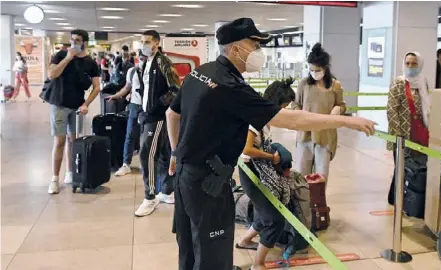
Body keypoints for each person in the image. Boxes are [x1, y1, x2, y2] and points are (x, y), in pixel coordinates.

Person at [165, 17, 376, 270]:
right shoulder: (230, 86)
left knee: (189, 250)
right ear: (235, 49)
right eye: (253, 45)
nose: (258, 52)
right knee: (212, 257)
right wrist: (344, 122)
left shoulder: (202, 72)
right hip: (208, 184)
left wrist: (176, 152)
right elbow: (292, 119)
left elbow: (172, 114)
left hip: (186, 177)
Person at [236, 78, 296, 269]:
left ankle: (245, 241)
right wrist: (272, 158)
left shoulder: (263, 117)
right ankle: (258, 264)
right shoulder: (257, 118)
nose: (285, 110)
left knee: (265, 212)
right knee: (275, 220)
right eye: (285, 106)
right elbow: (247, 149)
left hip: (256, 171)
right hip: (251, 173)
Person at [46, 29, 101, 194]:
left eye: (77, 40)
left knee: (73, 140)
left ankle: (70, 173)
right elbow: (51, 74)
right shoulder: (61, 55)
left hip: (76, 106)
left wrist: (86, 103)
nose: (74, 43)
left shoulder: (90, 63)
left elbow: (97, 86)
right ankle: (54, 178)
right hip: (59, 104)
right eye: (72, 40)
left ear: (84, 42)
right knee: (60, 141)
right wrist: (68, 58)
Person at [134, 30, 181, 217]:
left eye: (147, 42)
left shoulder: (163, 62)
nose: (144, 45)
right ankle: (167, 190)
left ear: (157, 43)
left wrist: (156, 108)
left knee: (147, 154)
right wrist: (142, 110)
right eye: (142, 42)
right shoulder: (146, 62)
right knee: (162, 154)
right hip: (147, 115)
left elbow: (175, 89)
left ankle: (150, 196)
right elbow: (146, 90)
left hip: (158, 117)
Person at [293, 43, 347, 188]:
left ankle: (318, 205)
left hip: (325, 137)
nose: (314, 73)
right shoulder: (304, 84)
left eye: (318, 70)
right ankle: (301, 205)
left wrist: (338, 109)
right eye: (311, 69)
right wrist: (298, 113)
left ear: (325, 68)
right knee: (301, 176)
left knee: (321, 177)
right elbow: (296, 104)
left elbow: (342, 105)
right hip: (305, 136)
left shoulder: (335, 85)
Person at [386, 51, 430, 205]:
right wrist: (398, 135)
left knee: (413, 167)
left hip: (418, 133)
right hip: (402, 133)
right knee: (401, 167)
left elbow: (427, 107)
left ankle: (406, 198)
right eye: (407, 63)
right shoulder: (399, 82)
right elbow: (392, 109)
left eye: (414, 63)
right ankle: (395, 199)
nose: (410, 66)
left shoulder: (422, 82)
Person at [107, 51, 146, 176]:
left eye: (145, 58)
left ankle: (145, 162)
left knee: (146, 136)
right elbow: (127, 87)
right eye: (141, 58)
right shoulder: (132, 71)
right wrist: (116, 96)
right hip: (134, 105)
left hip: (148, 107)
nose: (142, 60)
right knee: (130, 134)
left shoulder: (153, 71)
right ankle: (126, 164)